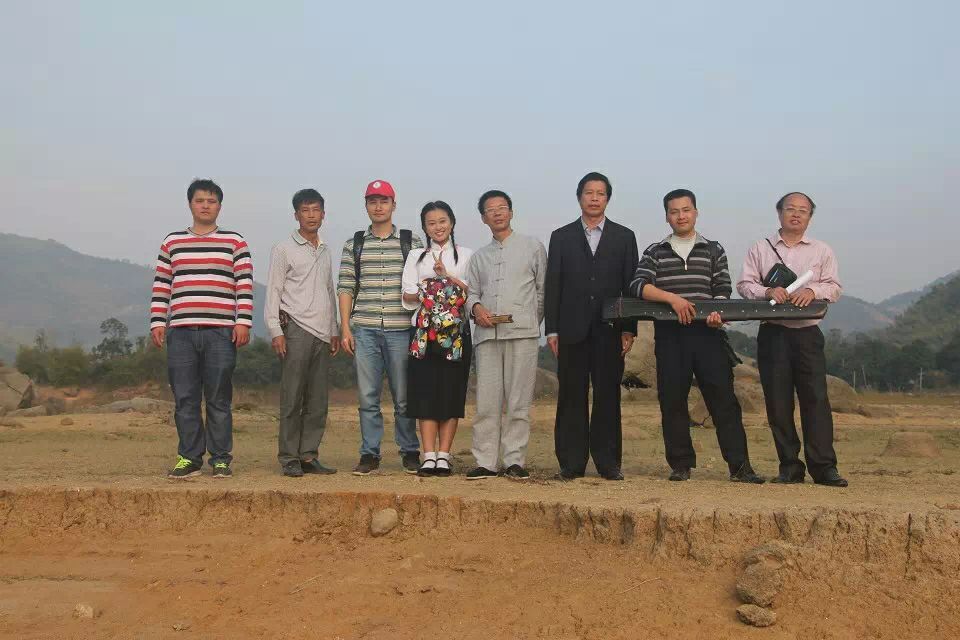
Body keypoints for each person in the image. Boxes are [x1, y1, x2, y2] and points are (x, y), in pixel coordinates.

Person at [628, 189, 764, 483]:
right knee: (672, 400)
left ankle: (740, 467)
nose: (681, 216)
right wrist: (672, 299)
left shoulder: (713, 249)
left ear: (696, 212)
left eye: (686, 210)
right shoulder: (655, 251)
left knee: (724, 400)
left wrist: (717, 314)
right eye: (674, 211)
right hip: (670, 336)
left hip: (708, 336)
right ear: (667, 216)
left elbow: (722, 289)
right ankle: (680, 465)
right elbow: (638, 285)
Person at [737, 192, 847, 487]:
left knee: (816, 400)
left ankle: (824, 468)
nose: (796, 214)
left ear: (810, 217)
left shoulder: (822, 250)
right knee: (778, 402)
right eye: (790, 209)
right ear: (779, 213)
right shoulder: (761, 248)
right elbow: (745, 284)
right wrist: (767, 291)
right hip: (773, 334)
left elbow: (834, 287)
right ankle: (789, 467)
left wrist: (812, 291)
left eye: (803, 211)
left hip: (808, 334)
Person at [150, 178, 252, 479]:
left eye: (211, 201)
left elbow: (244, 284)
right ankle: (189, 457)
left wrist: (243, 322)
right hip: (181, 331)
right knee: (185, 398)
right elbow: (162, 284)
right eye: (199, 200)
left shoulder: (234, 242)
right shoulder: (172, 242)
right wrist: (158, 321)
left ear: (219, 206)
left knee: (219, 397)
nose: (205, 206)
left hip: (221, 331)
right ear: (190, 204)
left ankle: (220, 459)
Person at [544, 172, 638, 481]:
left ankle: (608, 462)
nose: (594, 198)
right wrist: (552, 329)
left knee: (607, 395)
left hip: (610, 330)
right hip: (571, 329)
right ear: (579, 197)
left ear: (608, 198)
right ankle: (571, 463)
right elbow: (553, 285)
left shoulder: (625, 237)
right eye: (589, 192)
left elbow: (630, 286)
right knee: (571, 396)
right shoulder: (561, 236)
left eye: (600, 193)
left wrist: (629, 328)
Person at [337, 180, 424, 475]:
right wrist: (345, 328)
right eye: (372, 201)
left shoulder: (411, 242)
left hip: (402, 329)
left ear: (393, 205)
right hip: (365, 329)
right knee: (367, 397)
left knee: (404, 396)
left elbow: (423, 284)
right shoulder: (354, 244)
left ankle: (409, 451)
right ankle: (369, 454)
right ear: (366, 206)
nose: (378, 206)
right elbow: (346, 287)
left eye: (383, 201)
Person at [465, 190, 546, 480]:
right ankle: (485, 461)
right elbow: (471, 293)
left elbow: (542, 291)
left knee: (518, 401)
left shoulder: (533, 247)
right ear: (483, 218)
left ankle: (514, 460)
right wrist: (476, 309)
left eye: (502, 207)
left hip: (523, 334)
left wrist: (529, 322)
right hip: (487, 337)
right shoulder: (479, 257)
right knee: (486, 402)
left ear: (511, 212)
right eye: (491, 209)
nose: (497, 213)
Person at [265, 188, 340, 478]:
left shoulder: (325, 249)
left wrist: (333, 329)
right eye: (305, 210)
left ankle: (308, 455)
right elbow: (273, 290)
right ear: (296, 215)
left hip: (322, 332)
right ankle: (289, 457)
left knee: (318, 401)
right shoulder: (283, 249)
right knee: (292, 397)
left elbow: (329, 289)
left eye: (316, 209)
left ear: (323, 214)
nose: (311, 215)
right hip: (295, 328)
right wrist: (275, 330)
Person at [401, 201, 474, 477]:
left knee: (451, 392)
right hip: (424, 333)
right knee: (425, 393)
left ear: (451, 222)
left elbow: (471, 292)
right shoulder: (416, 256)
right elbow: (407, 294)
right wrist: (432, 287)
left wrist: (445, 278)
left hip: (455, 334)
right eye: (431, 223)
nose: (438, 227)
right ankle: (428, 455)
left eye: (442, 221)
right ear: (424, 227)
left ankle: (444, 455)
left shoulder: (466, 255)